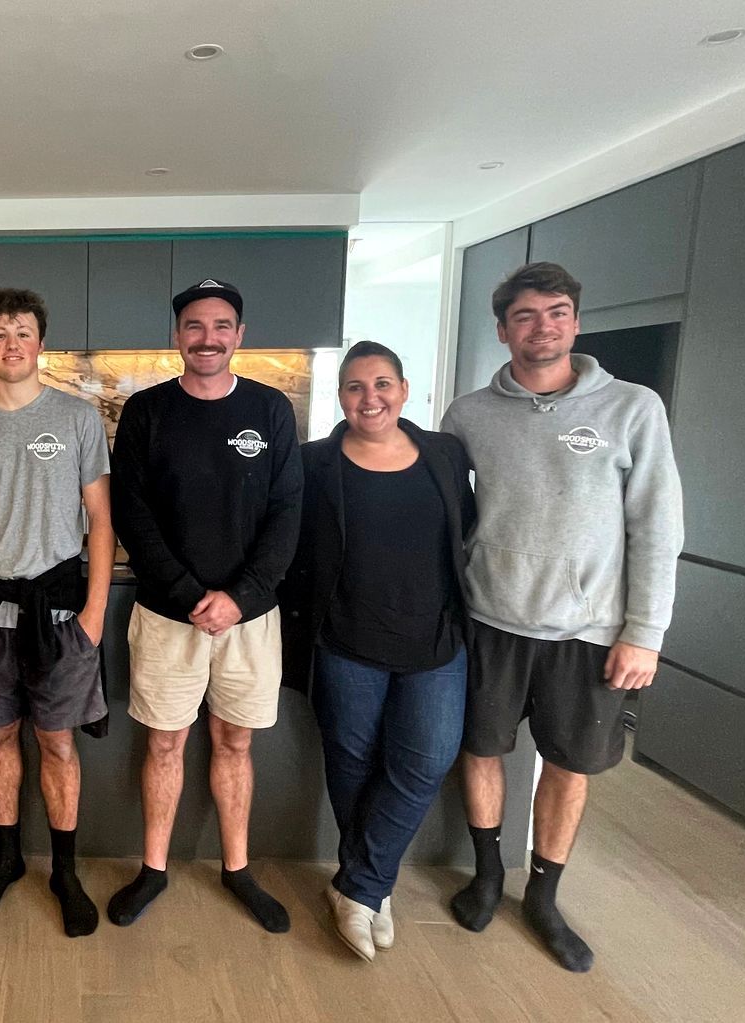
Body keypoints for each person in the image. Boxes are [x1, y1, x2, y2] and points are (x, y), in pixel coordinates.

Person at [441, 262, 683, 972]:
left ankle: (544, 896)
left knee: (569, 764)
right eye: (525, 315)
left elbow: (658, 526)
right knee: (481, 748)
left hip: (590, 631)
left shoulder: (634, 408)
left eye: (555, 312)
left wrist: (646, 631)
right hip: (491, 618)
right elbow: (451, 516)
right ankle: (488, 873)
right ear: (502, 329)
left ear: (575, 322)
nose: (541, 326)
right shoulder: (469, 414)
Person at [105, 279, 303, 932]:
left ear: (239, 335)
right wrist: (192, 595)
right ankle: (155, 868)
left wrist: (241, 596)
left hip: (251, 619)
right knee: (164, 742)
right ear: (177, 335)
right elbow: (131, 512)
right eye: (195, 325)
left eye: (221, 325)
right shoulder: (145, 411)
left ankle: (237, 867)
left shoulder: (272, 409)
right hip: (169, 616)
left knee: (235, 740)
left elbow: (286, 511)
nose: (208, 337)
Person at [283, 341, 475, 960]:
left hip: (437, 642)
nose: (372, 398)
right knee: (351, 762)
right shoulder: (315, 463)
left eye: (383, 384)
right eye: (357, 387)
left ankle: (362, 884)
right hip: (345, 642)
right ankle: (369, 889)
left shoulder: (445, 455)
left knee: (423, 762)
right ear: (340, 397)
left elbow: (467, 532)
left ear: (405, 388)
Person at [0, 288, 113, 938]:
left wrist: (94, 612)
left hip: (63, 615)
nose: (11, 344)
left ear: (41, 341)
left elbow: (101, 518)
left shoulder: (77, 417)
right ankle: (7, 857)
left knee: (58, 741)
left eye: (22, 332)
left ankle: (64, 871)